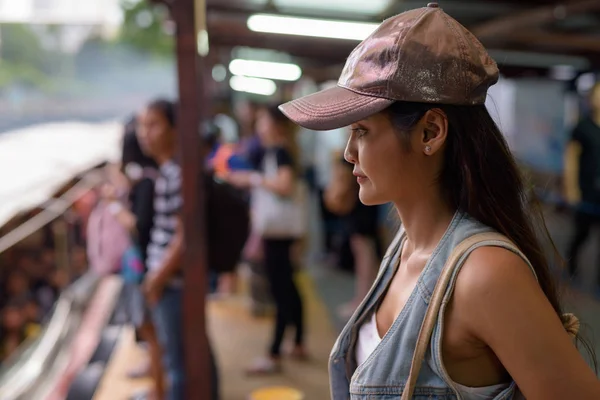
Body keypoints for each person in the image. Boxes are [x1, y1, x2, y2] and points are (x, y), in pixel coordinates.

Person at [279, 3, 600, 399]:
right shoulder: (405, 247)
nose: (348, 152)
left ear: (430, 131)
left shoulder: (484, 275)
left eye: (361, 131)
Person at [137, 99, 219, 400]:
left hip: (173, 284)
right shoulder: (171, 171)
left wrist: (156, 279)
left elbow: (183, 239)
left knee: (179, 365)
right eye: (142, 126)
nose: (145, 133)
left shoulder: (176, 173)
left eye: (153, 124)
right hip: (172, 282)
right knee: (192, 353)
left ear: (174, 129)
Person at [226, 105, 306, 374]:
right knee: (289, 288)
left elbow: (284, 186)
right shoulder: (283, 150)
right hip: (280, 232)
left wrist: (252, 178)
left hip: (277, 231)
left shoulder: (280, 151)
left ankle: (273, 354)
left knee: (281, 291)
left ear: (275, 125)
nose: (259, 127)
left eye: (262, 122)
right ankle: (297, 343)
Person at [564, 82, 600, 286]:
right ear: (591, 99)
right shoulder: (583, 127)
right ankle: (571, 267)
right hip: (587, 192)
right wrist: (572, 189)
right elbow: (571, 158)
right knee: (582, 234)